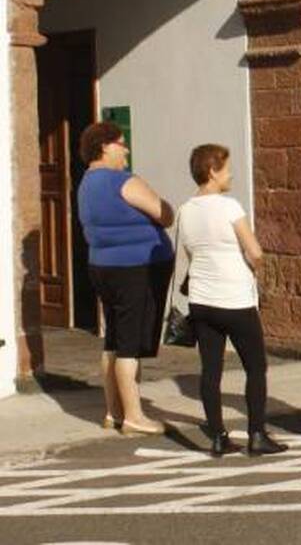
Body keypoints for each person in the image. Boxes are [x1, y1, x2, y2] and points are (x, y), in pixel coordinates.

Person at [179, 144, 286, 456]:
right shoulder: (229, 207)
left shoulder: (186, 210)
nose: (230, 174)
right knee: (255, 366)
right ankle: (257, 434)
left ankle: (218, 436)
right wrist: (255, 268)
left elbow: (190, 253)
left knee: (211, 370)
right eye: (226, 168)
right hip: (235, 298)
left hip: (202, 299)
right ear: (212, 171)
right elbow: (255, 251)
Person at [77, 122, 174, 436]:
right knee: (130, 344)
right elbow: (164, 214)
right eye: (122, 143)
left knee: (114, 340)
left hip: (102, 266)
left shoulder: (86, 183)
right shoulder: (122, 181)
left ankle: (113, 411)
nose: (126, 150)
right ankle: (134, 416)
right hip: (135, 268)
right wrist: (164, 205)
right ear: (105, 146)